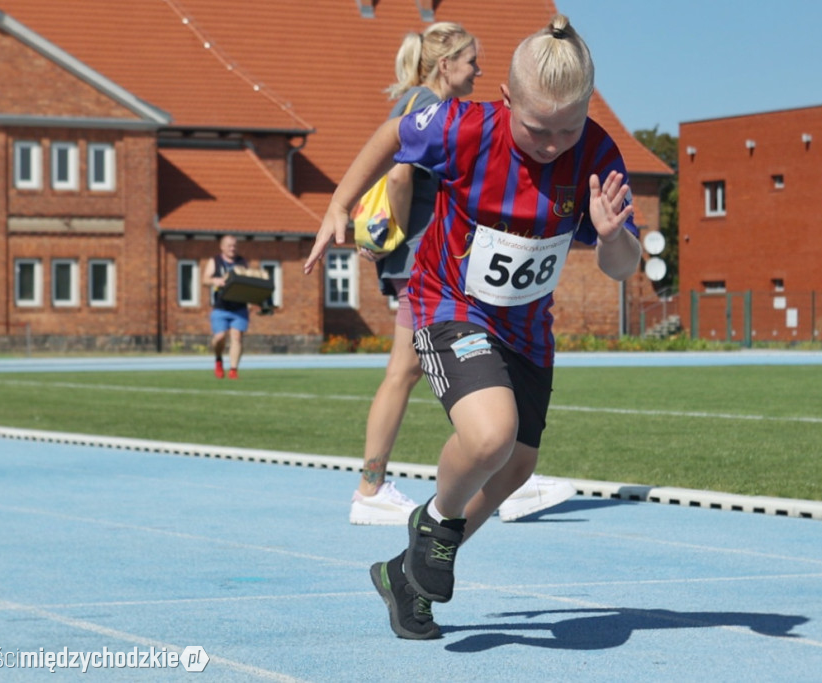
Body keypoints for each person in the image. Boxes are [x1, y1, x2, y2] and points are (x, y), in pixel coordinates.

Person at [304, 13, 640, 639]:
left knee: (516, 464)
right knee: (490, 437)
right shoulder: (463, 128)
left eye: (567, 128)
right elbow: (391, 135)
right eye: (537, 129)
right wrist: (338, 207)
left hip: (527, 328)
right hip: (448, 302)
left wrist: (614, 234)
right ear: (507, 98)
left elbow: (623, 269)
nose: (551, 145)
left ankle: (408, 575)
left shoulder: (597, 155)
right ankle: (434, 529)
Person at [349, 22, 578, 527]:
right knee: (410, 370)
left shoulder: (426, 104)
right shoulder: (425, 107)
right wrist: (408, 239)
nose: (478, 69)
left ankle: (387, 483)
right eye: (471, 60)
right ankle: (378, 487)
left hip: (424, 258)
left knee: (408, 371)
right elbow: (399, 173)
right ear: (445, 65)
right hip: (427, 260)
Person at [204, 234, 249, 380]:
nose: (232, 248)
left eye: (235, 245)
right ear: (222, 247)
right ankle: (218, 360)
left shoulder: (242, 262)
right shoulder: (215, 261)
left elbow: (249, 280)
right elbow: (204, 279)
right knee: (219, 337)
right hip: (221, 307)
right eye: (229, 245)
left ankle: (233, 370)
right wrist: (215, 280)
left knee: (236, 337)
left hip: (239, 308)